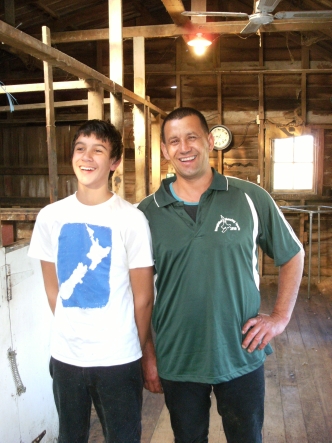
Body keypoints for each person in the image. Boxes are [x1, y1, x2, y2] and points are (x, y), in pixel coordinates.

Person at [138, 107, 304, 443]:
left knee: (247, 437)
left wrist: (280, 317)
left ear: (210, 141)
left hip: (240, 350)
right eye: (174, 141)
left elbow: (293, 254)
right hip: (177, 355)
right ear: (165, 151)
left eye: (192, 137)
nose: (184, 147)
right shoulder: (145, 213)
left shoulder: (249, 197)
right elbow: (137, 294)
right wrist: (149, 355)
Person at [29, 119, 154, 443]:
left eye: (97, 150)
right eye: (80, 149)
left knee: (123, 437)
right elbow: (53, 289)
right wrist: (74, 331)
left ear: (113, 162)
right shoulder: (50, 217)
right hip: (66, 357)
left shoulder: (131, 219)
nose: (86, 157)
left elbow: (143, 298)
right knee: (70, 437)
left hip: (118, 358)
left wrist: (132, 349)